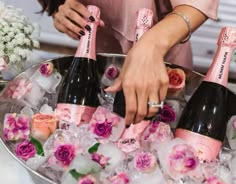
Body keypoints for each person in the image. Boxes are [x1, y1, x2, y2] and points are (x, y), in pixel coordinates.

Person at [38, 0, 219, 125]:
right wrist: (58, 8)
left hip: (161, 54)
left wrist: (151, 46)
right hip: (97, 51)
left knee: (161, 124)